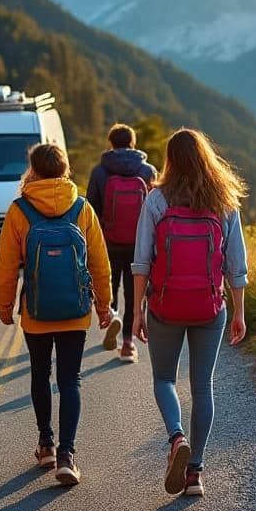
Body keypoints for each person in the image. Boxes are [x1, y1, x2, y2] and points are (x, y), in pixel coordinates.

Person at [132, 128, 249, 497]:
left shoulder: (157, 200)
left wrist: (136, 311)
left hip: (165, 306)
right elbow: (236, 265)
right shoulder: (223, 199)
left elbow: (141, 261)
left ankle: (176, 437)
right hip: (209, 307)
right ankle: (195, 472)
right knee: (202, 386)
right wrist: (239, 313)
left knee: (164, 379)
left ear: (170, 159)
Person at [0, 143, 112, 486]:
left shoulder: (19, 210)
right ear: (65, 170)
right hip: (75, 311)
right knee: (70, 380)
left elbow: (6, 266)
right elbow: (99, 262)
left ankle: (45, 445)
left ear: (33, 171)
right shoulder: (81, 207)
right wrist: (103, 305)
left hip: (36, 312)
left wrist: (5, 307)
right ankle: (67, 455)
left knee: (40, 374)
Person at [86, 123, 158, 363]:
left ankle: (112, 316)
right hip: (140, 243)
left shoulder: (99, 171)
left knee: (109, 283)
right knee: (133, 292)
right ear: (133, 143)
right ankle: (128, 344)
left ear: (111, 143)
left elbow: (91, 208)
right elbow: (157, 209)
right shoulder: (148, 171)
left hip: (108, 241)